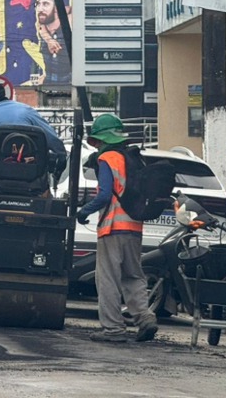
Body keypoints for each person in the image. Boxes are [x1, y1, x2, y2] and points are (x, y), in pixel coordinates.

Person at [76, 113, 158, 343]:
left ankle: (113, 329)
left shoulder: (108, 158)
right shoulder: (133, 158)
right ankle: (145, 317)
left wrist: (84, 211)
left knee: (108, 279)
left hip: (112, 228)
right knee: (133, 276)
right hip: (134, 226)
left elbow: (103, 195)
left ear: (102, 140)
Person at [0, 80, 66, 160]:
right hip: (33, 166)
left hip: (2, 167)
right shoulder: (26, 109)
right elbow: (49, 135)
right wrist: (61, 154)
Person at [35, 0, 72, 86]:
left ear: (56, 8)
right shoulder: (41, 25)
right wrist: (49, 40)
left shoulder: (69, 22)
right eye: (38, 4)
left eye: (45, 4)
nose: (40, 9)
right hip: (47, 86)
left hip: (69, 88)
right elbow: (39, 25)